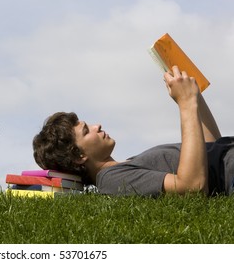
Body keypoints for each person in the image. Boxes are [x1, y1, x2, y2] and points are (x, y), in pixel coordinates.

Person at [33, 66, 234, 197]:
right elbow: (192, 188)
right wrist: (186, 103)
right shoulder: (112, 180)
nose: (97, 126)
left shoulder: (128, 164)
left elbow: (210, 146)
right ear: (79, 156)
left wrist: (194, 95)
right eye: (86, 131)